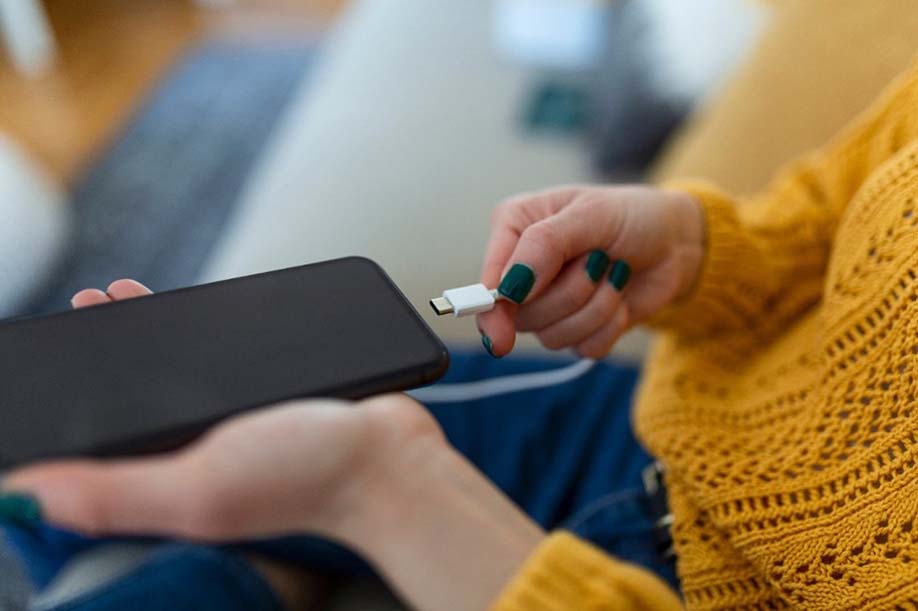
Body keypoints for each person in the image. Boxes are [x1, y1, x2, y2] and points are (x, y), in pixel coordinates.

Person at [1, 56, 917, 610]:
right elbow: (835, 201)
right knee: (105, 434)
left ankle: (261, 562)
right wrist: (704, 246)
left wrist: (381, 491)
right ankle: (268, 565)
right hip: (655, 428)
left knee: (129, 466)